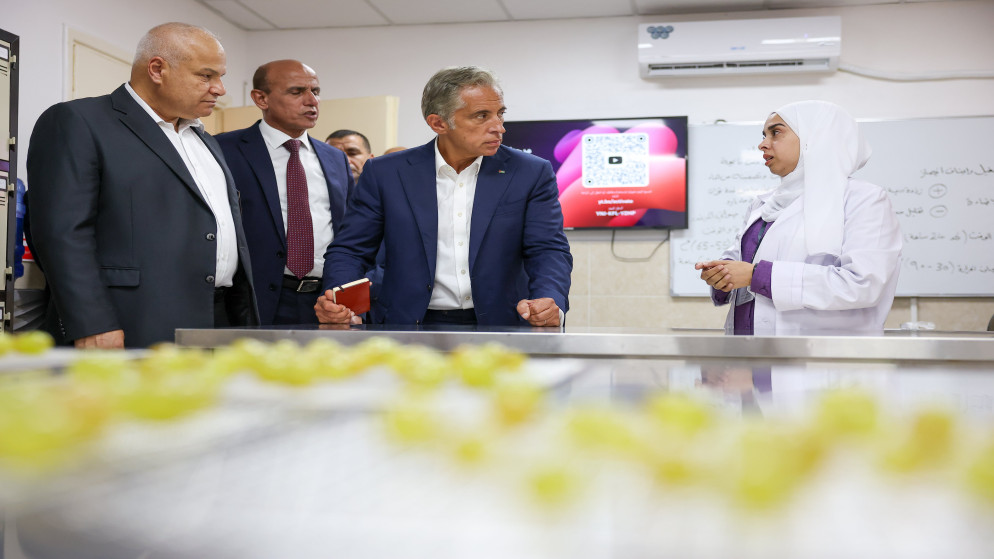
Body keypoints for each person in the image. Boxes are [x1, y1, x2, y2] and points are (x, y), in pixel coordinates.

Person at [26, 22, 259, 348]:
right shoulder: (79, 122)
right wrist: (91, 322)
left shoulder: (205, 140)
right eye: (206, 76)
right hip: (131, 319)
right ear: (157, 69)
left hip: (221, 317)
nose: (219, 89)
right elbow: (61, 234)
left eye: (220, 76)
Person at [316, 66, 572, 327]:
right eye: (481, 116)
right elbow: (351, 250)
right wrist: (342, 303)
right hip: (406, 324)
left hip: (501, 322)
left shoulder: (530, 172)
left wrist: (549, 298)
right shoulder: (386, 173)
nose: (499, 127)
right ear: (438, 123)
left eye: (500, 114)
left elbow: (548, 248)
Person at [695, 100, 902, 335]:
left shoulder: (863, 199)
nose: (763, 144)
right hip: (747, 350)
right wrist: (722, 275)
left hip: (821, 354)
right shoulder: (762, 205)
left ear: (815, 137)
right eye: (764, 135)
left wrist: (756, 276)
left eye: (776, 133)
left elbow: (862, 285)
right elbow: (740, 265)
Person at [216, 60, 354, 325]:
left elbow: (349, 233)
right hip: (254, 299)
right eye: (296, 91)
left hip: (325, 300)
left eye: (316, 91)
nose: (311, 101)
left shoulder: (335, 158)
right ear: (261, 98)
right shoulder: (224, 149)